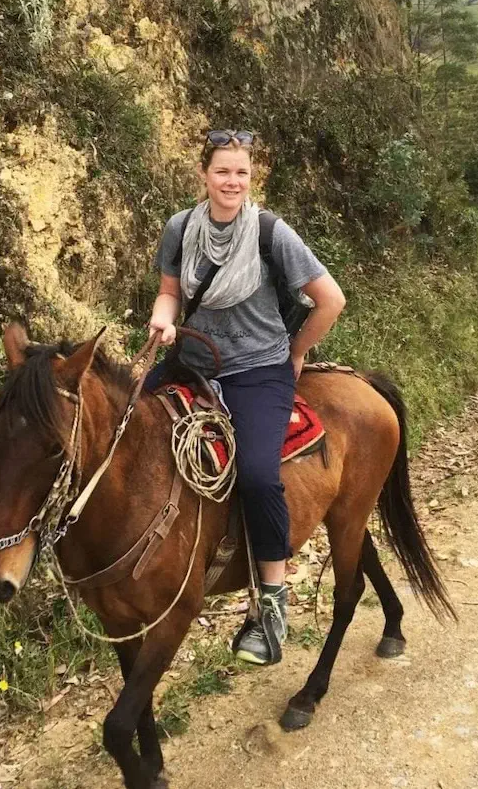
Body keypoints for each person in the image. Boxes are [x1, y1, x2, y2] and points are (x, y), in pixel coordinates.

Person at [147, 129, 346, 665]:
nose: (232, 181)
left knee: (258, 475)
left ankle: (271, 603)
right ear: (204, 175)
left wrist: (296, 353)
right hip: (191, 361)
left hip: (259, 371)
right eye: (222, 171)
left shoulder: (269, 232)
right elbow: (169, 292)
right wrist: (162, 321)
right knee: (122, 427)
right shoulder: (180, 228)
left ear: (250, 177)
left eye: (241, 172)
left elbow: (330, 299)